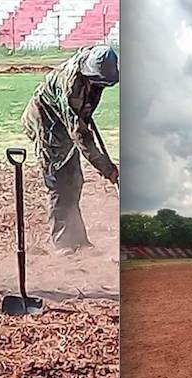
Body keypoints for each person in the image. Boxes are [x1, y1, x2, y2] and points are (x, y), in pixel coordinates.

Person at [22, 45, 119, 253]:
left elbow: (82, 116)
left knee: (74, 181)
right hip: (46, 123)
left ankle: (78, 239)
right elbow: (79, 134)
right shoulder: (71, 86)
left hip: (66, 122)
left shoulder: (95, 66)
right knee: (58, 181)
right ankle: (62, 243)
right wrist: (105, 166)